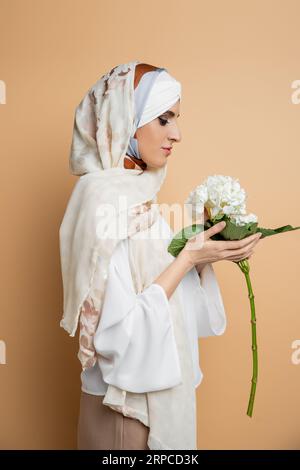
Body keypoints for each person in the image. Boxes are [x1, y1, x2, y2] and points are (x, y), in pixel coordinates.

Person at [59, 60, 262, 450]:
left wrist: (204, 257)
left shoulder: (140, 197)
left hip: (149, 408)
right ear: (125, 120)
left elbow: (181, 312)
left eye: (176, 119)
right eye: (164, 119)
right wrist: (187, 259)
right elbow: (117, 335)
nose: (178, 134)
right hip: (125, 415)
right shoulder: (102, 202)